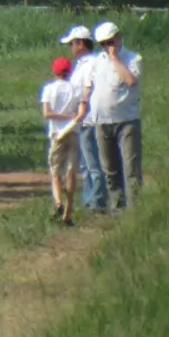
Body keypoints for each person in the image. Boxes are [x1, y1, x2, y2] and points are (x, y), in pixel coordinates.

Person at [86, 21, 143, 210]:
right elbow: (90, 86)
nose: (106, 47)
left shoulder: (133, 58)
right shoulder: (96, 61)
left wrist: (114, 58)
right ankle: (118, 205)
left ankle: (135, 207)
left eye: (109, 42)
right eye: (102, 44)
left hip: (126, 120)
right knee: (109, 168)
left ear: (118, 38)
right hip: (102, 120)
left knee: (130, 167)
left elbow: (130, 80)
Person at [59, 26, 104, 212]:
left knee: (92, 161)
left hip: (89, 117)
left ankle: (96, 201)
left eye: (72, 43)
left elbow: (87, 89)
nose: (70, 47)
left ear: (80, 44)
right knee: (86, 162)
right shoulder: (83, 63)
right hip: (82, 117)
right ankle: (89, 199)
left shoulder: (91, 63)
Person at [41, 54, 85, 224]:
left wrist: (61, 116)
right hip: (73, 133)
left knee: (55, 171)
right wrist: (71, 117)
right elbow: (81, 112)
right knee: (71, 172)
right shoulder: (76, 89)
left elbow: (47, 114)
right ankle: (68, 211)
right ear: (69, 71)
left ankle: (58, 202)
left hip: (57, 135)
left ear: (55, 71)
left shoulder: (49, 89)